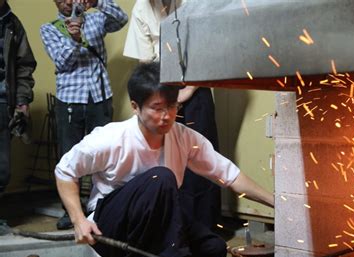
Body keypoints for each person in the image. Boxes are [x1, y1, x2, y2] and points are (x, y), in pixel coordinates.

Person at [55, 62, 274, 257]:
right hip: (111, 229)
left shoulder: (184, 137)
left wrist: (275, 201)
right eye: (157, 108)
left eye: (171, 106)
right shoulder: (110, 138)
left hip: (155, 230)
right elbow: (64, 171)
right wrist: (79, 220)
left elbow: (228, 175)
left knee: (214, 250)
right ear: (135, 107)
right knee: (160, 178)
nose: (166, 116)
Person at [123, 0, 222, 229]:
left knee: (201, 154)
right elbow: (145, 61)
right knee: (165, 158)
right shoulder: (141, 8)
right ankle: (173, 229)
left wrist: (186, 93)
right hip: (161, 90)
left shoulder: (195, 3)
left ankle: (205, 228)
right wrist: (160, 98)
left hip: (196, 87)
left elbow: (207, 52)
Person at [40, 0, 128, 230]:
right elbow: (63, 62)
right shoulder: (49, 28)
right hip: (70, 99)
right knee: (69, 155)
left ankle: (103, 207)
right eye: (62, 0)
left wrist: (97, 2)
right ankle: (71, 211)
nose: (68, 2)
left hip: (101, 95)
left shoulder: (96, 18)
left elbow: (121, 19)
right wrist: (75, 39)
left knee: (106, 153)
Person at [0, 0, 37, 196]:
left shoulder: (12, 23)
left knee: (2, 169)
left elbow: (25, 64)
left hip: (3, 101)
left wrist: (22, 100)